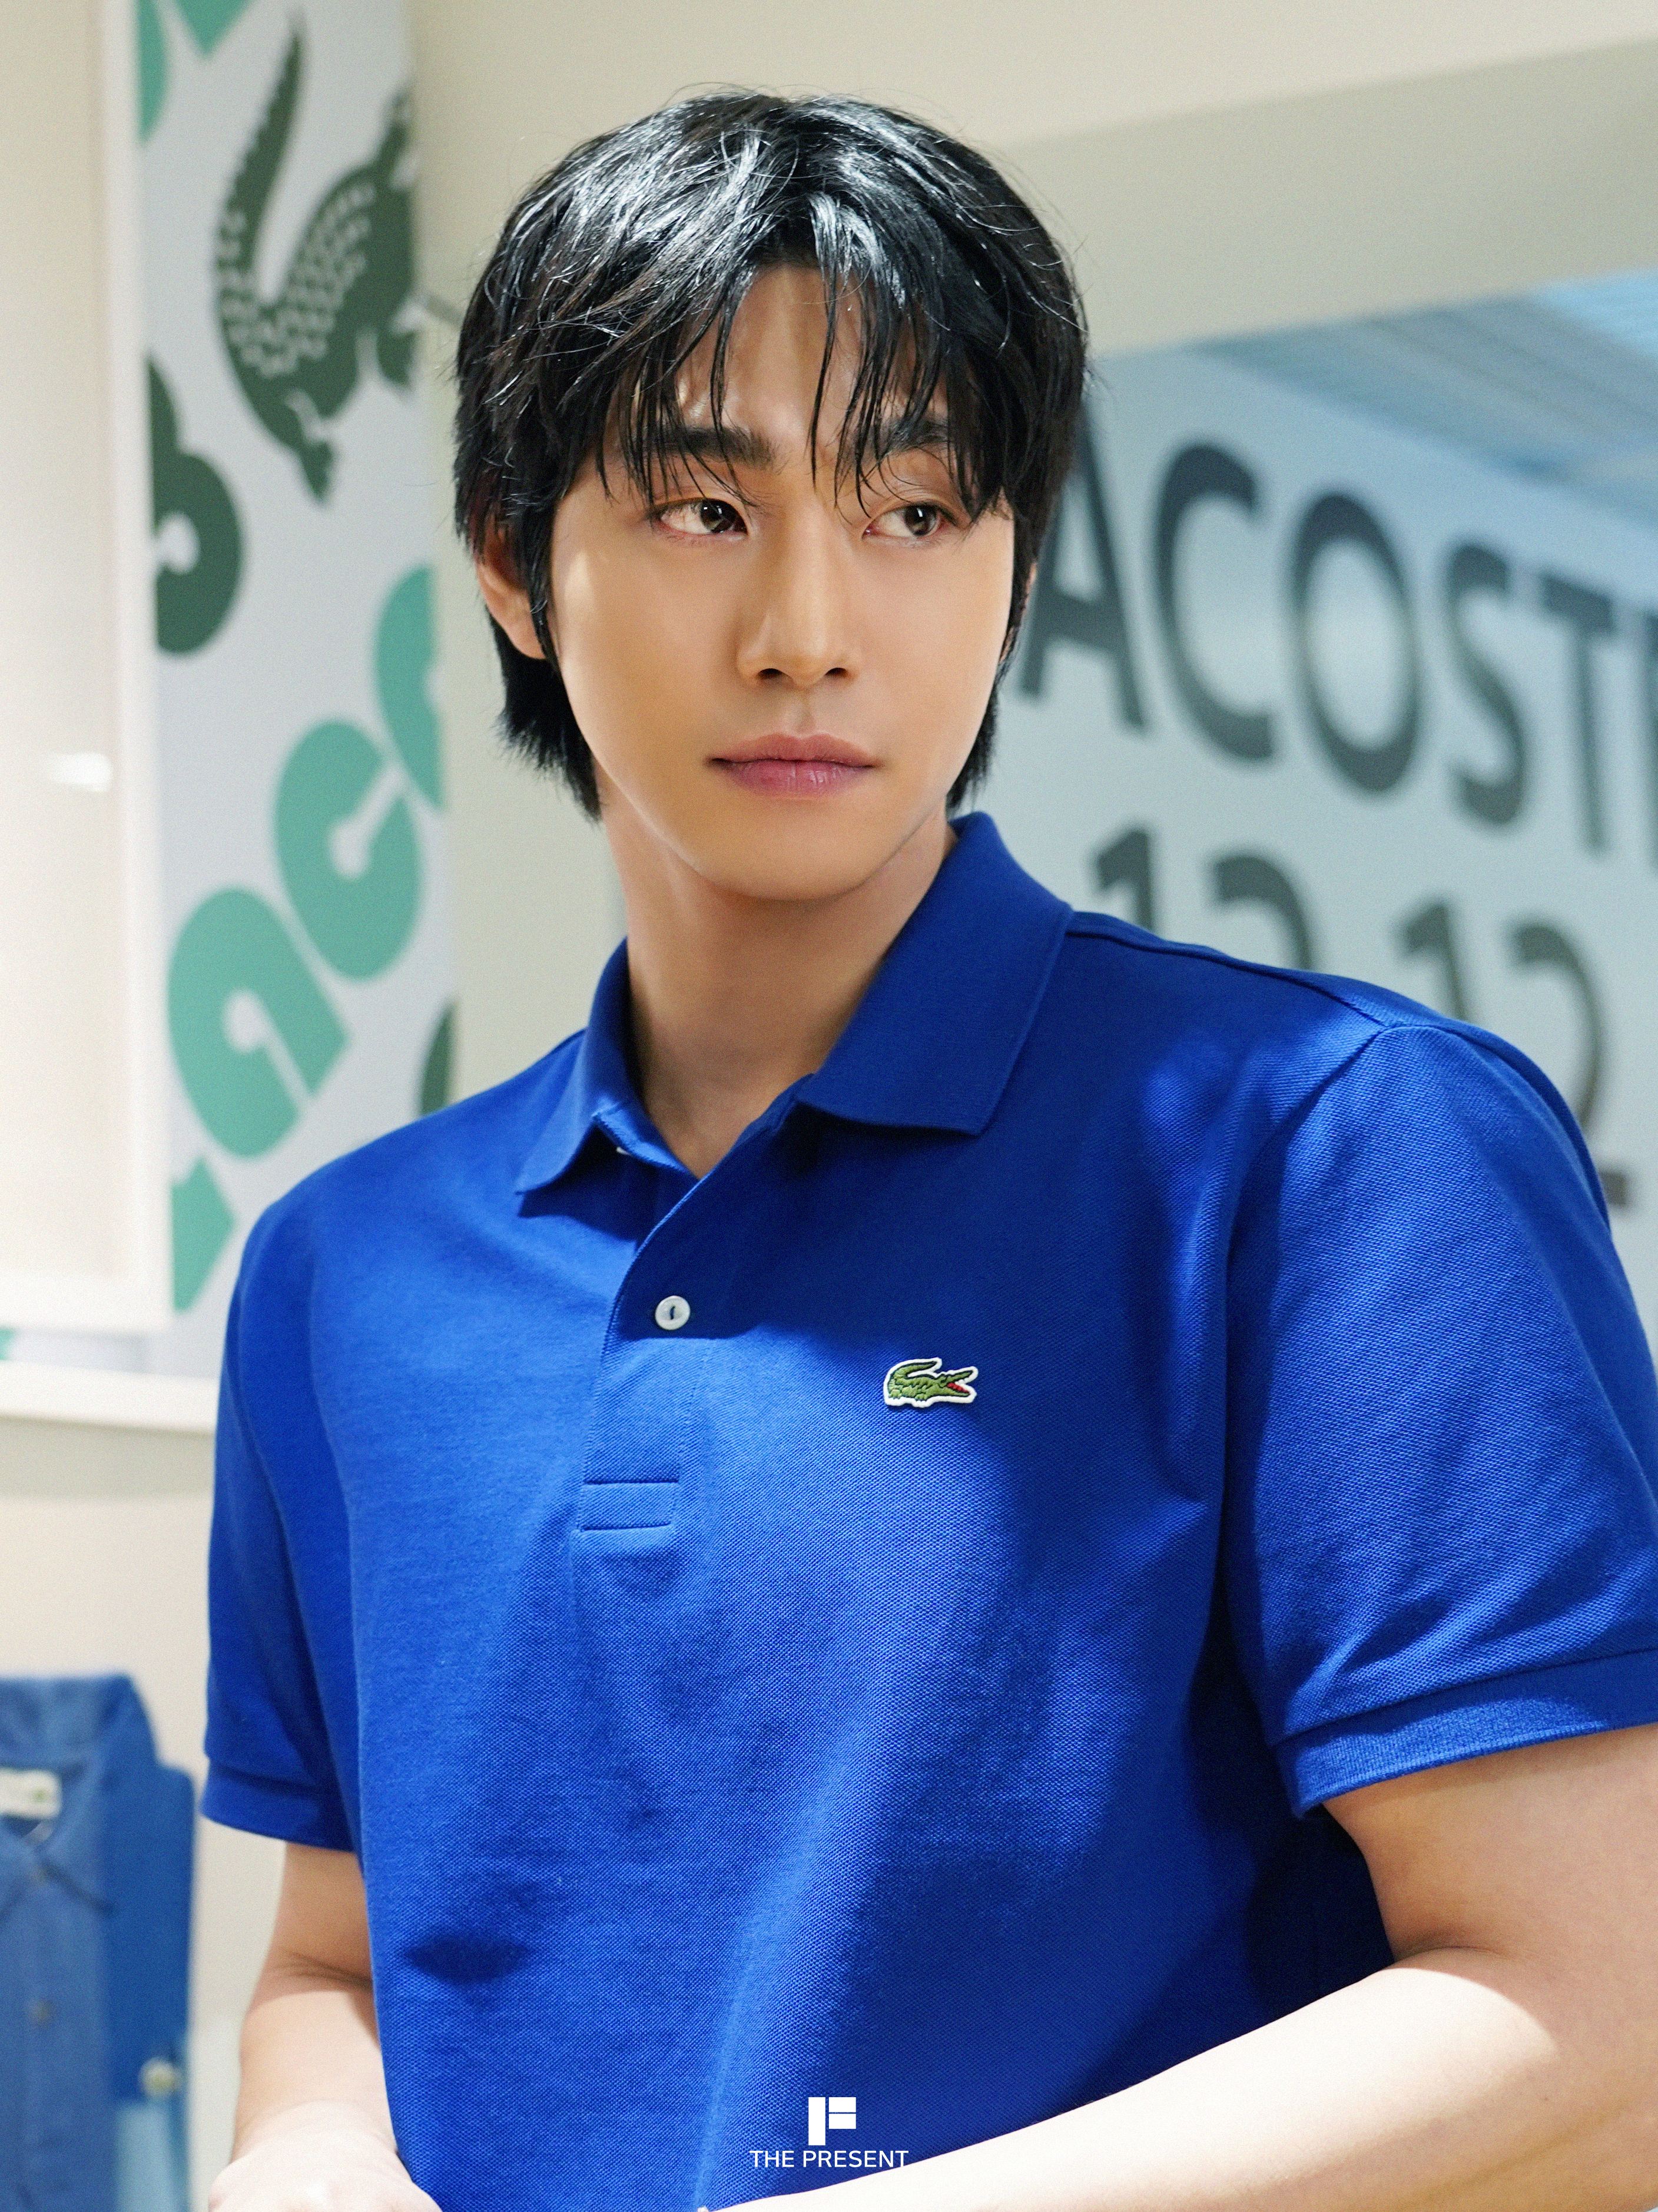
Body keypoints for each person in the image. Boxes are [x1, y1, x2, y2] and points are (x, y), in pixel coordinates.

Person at [202, 90, 1658, 2212]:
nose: (811, 624)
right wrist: (305, 2162)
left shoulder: (1336, 1147)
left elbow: (1588, 2000)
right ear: (515, 559)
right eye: (706, 506)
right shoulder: (347, 1269)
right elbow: (336, 1953)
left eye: (914, 507)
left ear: (1013, 566)